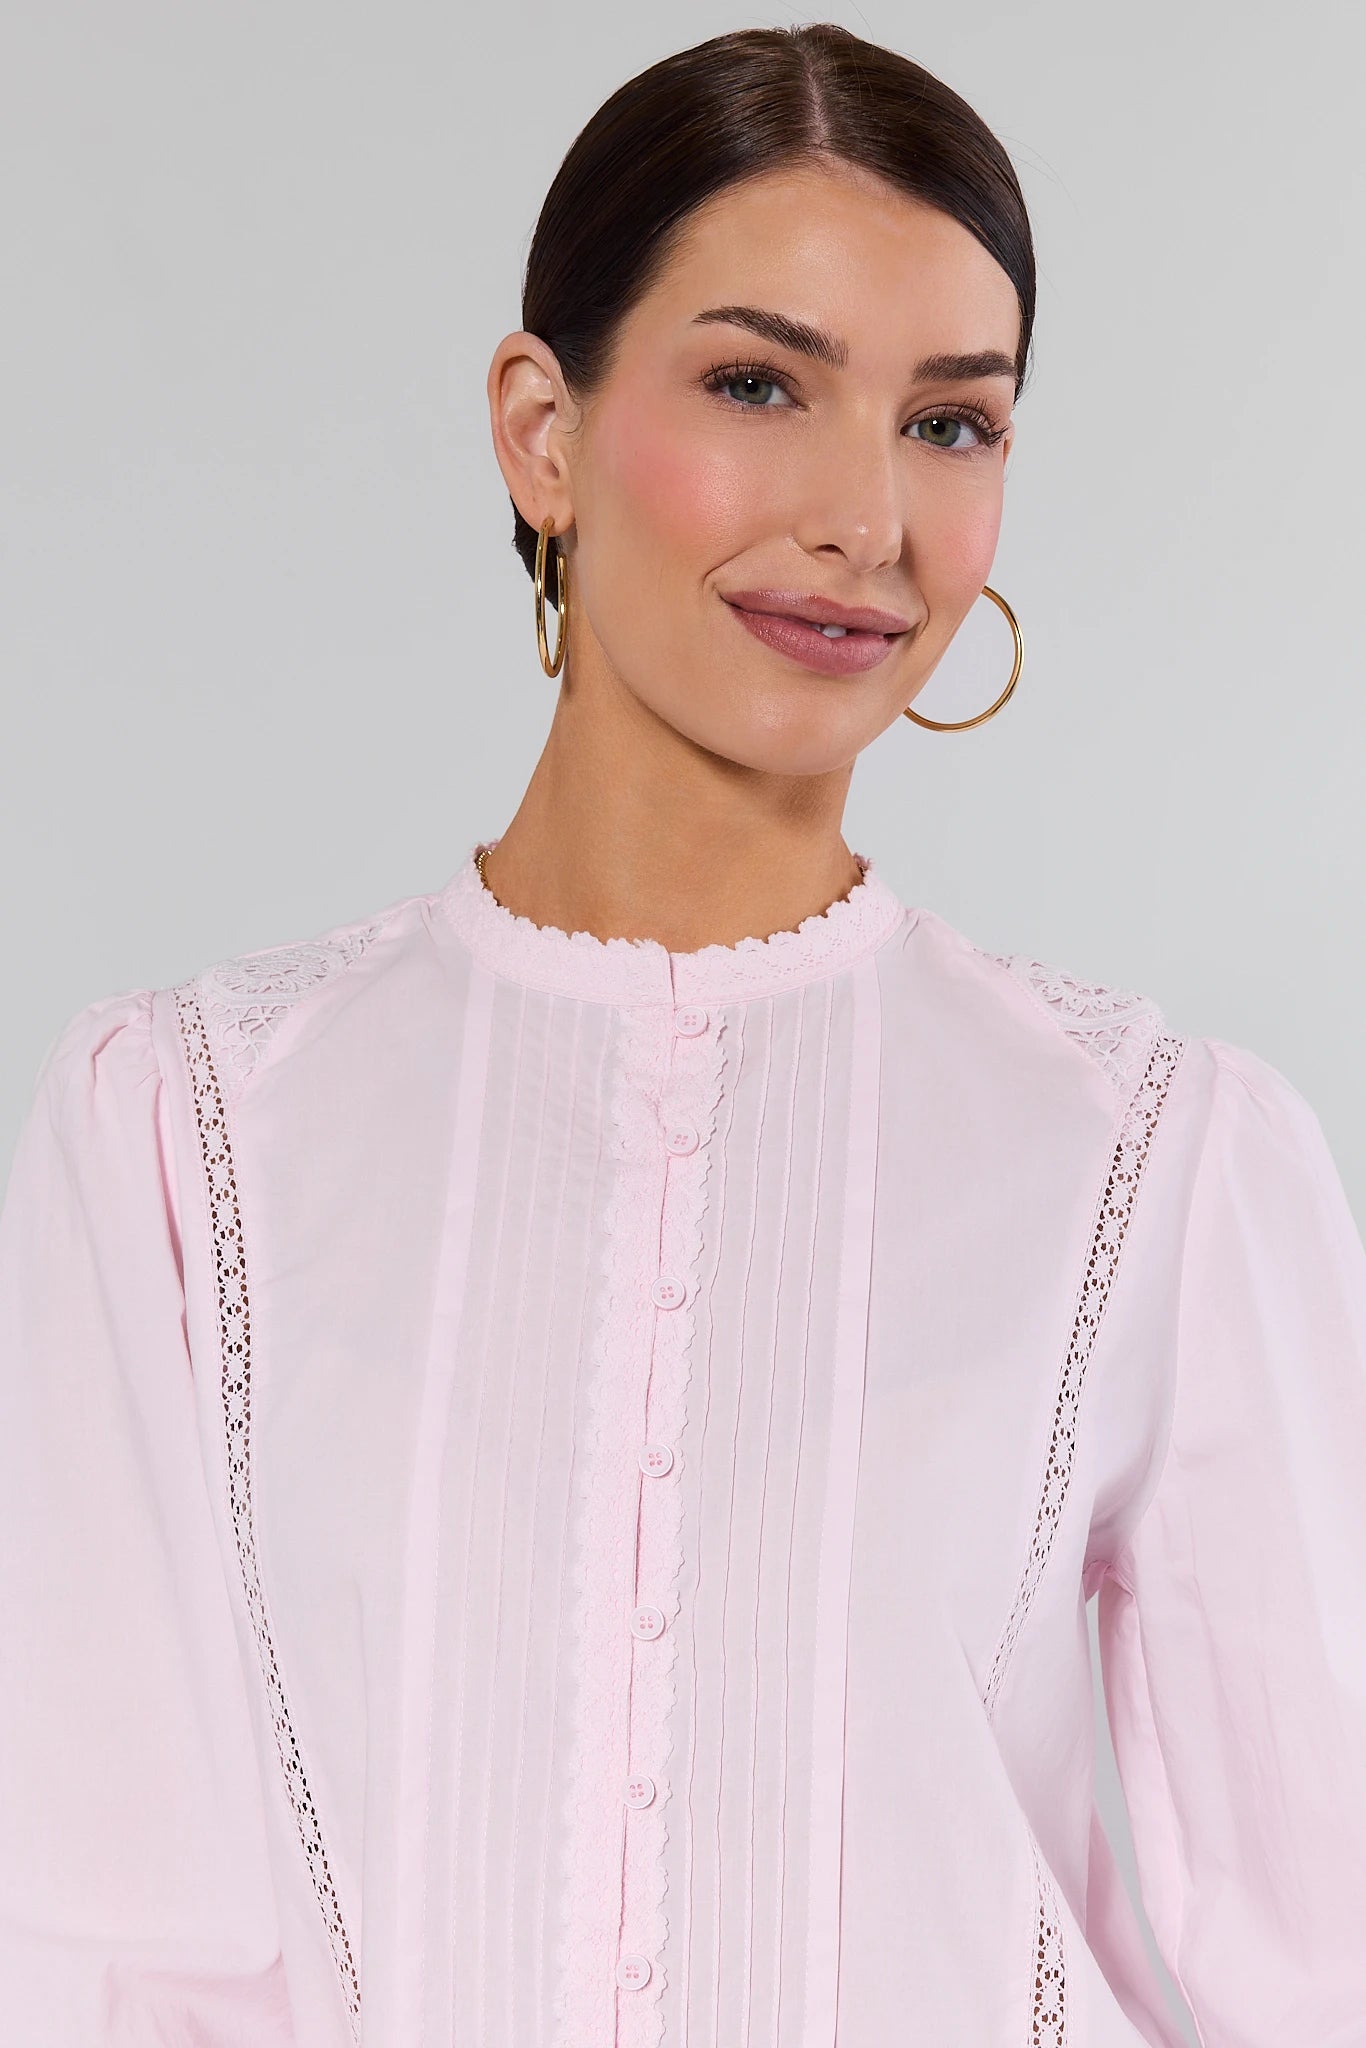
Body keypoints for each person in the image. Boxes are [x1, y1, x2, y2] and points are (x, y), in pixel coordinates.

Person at [2, 22, 1364, 2048]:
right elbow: (98, 1942)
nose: (865, 518)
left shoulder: (1151, 1159)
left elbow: (1322, 1948)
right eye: (757, 385)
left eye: (950, 424)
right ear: (539, 432)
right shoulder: (187, 1137)